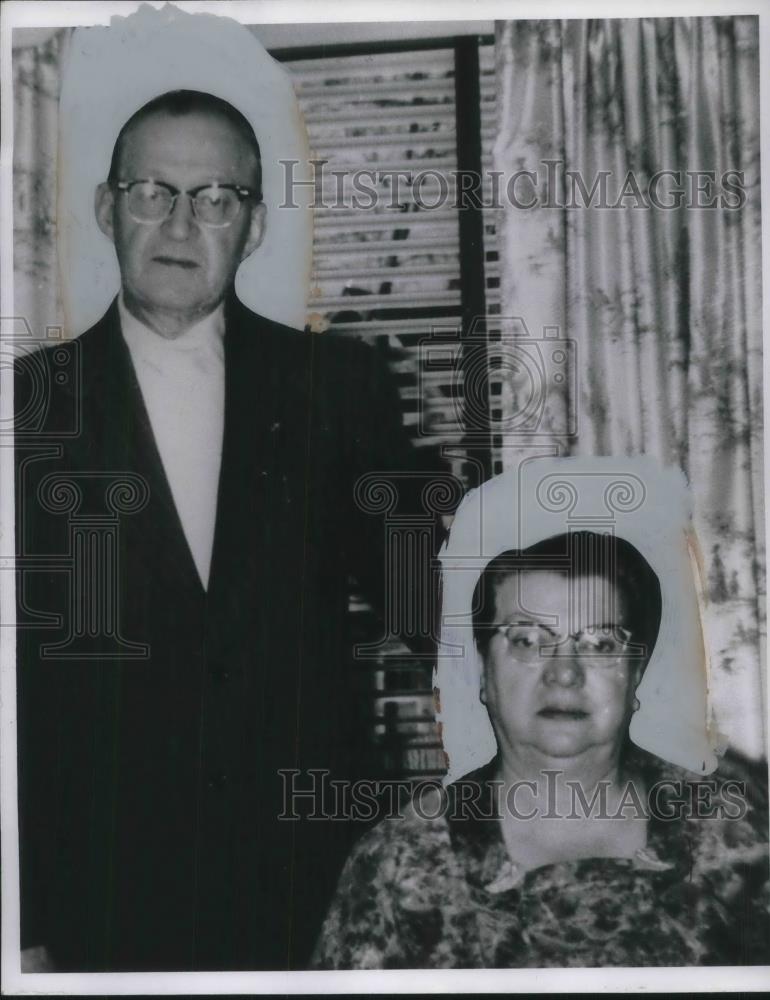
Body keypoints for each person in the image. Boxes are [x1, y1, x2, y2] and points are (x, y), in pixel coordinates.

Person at [14, 89, 445, 971]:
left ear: (252, 226)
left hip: (312, 881)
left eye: (216, 198)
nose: (180, 222)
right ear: (107, 209)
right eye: (152, 191)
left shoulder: (338, 387)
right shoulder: (25, 407)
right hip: (98, 893)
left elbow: (431, 606)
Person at [313, 530, 769, 968]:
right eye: (527, 640)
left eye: (600, 643)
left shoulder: (738, 823)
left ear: (635, 676)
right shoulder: (400, 862)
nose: (564, 673)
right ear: (483, 675)